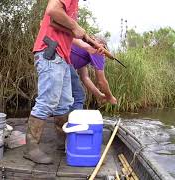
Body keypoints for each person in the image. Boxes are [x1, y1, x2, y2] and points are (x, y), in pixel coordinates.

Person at [24, 0, 105, 164]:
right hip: (51, 52)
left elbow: (69, 32)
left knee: (65, 102)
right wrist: (75, 25)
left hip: (63, 58)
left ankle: (63, 142)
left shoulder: (73, 6)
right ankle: (30, 148)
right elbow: (52, 10)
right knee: (48, 101)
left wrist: (89, 46)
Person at [70, 37, 117, 110]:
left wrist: (99, 95)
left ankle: (66, 118)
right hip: (62, 61)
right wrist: (110, 97)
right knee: (79, 95)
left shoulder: (83, 53)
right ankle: (76, 119)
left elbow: (85, 78)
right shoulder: (99, 51)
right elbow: (101, 81)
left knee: (71, 96)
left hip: (59, 61)